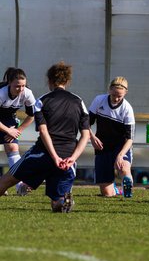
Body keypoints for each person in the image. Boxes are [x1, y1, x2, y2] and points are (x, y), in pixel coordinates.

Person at [0, 61, 90, 213]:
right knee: (56, 200)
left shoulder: (42, 101)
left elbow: (43, 131)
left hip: (42, 154)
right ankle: (60, 201)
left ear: (49, 80)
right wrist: (73, 158)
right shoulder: (79, 102)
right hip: (67, 158)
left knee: (5, 182)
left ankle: (25, 185)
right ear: (67, 81)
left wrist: (53, 156)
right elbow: (86, 135)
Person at [89, 76, 135, 198]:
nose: (116, 98)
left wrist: (120, 155)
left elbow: (130, 139)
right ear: (109, 90)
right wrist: (92, 137)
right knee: (107, 194)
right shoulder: (99, 100)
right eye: (114, 94)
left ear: (126, 93)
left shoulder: (127, 109)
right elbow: (85, 124)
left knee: (124, 167)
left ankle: (127, 186)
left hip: (120, 147)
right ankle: (115, 189)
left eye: (119, 96)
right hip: (102, 147)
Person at [0, 67, 36, 195]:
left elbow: (32, 115)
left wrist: (17, 130)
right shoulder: (1, 93)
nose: (20, 89)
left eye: (23, 86)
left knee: (12, 148)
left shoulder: (27, 93)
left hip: (9, 120)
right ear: (9, 83)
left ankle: (19, 185)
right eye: (17, 86)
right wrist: (7, 131)